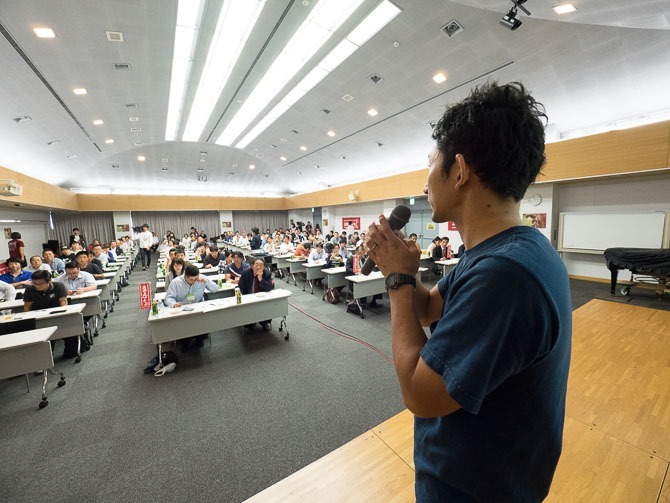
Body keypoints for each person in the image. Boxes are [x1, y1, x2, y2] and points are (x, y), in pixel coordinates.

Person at [364, 82, 571, 502]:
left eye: (431, 163)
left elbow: (420, 394)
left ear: (458, 171)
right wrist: (400, 266)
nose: (425, 182)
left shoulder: (503, 275)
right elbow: (428, 309)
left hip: (473, 490)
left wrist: (398, 283)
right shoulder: (505, 251)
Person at [23, 269, 81, 358]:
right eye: (35, 283)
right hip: (39, 318)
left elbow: (63, 303)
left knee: (69, 334)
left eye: (40, 284)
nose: (37, 286)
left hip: (57, 315)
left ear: (49, 281)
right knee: (44, 345)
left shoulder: (58, 286)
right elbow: (27, 307)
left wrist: (61, 315)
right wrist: (28, 320)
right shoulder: (30, 289)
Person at [163, 265, 218, 350]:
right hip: (183, 310)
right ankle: (186, 340)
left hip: (198, 308)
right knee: (186, 333)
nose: (194, 282)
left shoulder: (202, 278)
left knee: (199, 328)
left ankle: (198, 338)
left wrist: (206, 281)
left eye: (196, 279)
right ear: (185, 276)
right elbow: (168, 298)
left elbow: (215, 289)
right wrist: (174, 304)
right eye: (191, 280)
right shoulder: (176, 282)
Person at [238, 258, 274, 332]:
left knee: (267, 306)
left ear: (264, 267)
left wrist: (260, 279)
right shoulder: (246, 273)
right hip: (249, 296)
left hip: (263, 297)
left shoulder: (267, 273)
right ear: (252, 266)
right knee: (249, 308)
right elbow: (241, 286)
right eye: (256, 265)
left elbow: (268, 288)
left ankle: (264, 323)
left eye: (261, 265)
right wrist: (247, 296)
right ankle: (251, 323)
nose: (258, 267)